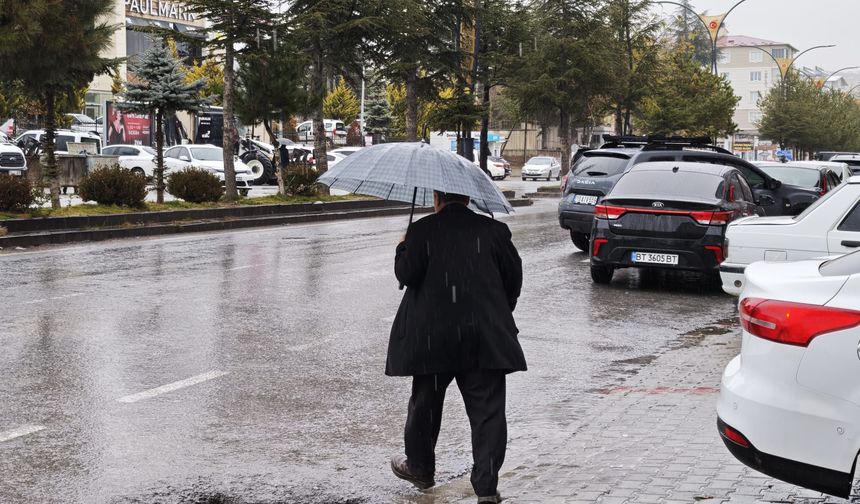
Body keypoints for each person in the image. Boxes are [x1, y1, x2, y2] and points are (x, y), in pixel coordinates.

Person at [386, 190, 526, 504]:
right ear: (468, 198)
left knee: (425, 405)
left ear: (437, 198)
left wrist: (402, 247)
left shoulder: (423, 229)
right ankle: (487, 488)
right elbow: (513, 279)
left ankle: (421, 468)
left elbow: (405, 274)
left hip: (432, 340)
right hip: (484, 339)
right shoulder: (493, 231)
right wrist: (497, 311)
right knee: (488, 414)